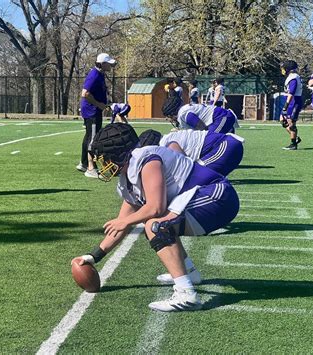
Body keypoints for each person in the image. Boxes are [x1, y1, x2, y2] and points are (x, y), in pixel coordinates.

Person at [72, 123, 240, 312]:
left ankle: (186, 293)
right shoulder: (129, 178)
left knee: (156, 225)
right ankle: (189, 273)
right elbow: (121, 226)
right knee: (157, 222)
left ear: (118, 153)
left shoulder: (146, 159)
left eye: (105, 158)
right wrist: (94, 256)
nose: (103, 164)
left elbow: (155, 207)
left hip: (218, 196)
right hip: (208, 197)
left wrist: (125, 221)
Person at [138, 129, 244, 177]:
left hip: (225, 146)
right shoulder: (168, 138)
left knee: (197, 177)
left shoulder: (166, 144)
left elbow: (184, 167)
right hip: (227, 145)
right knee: (203, 179)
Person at [77, 53, 116, 178]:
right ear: (103, 64)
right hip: (92, 111)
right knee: (93, 138)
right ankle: (90, 168)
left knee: (89, 135)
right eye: (108, 63)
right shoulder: (94, 75)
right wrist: (99, 104)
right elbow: (85, 93)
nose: (111, 65)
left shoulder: (99, 74)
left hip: (93, 110)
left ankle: (83, 163)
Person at [280, 60, 303, 150]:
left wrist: (286, 105)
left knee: (291, 123)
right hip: (291, 102)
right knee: (282, 120)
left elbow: (291, 93)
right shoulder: (291, 76)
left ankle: (293, 144)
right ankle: (296, 138)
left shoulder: (293, 77)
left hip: (294, 102)